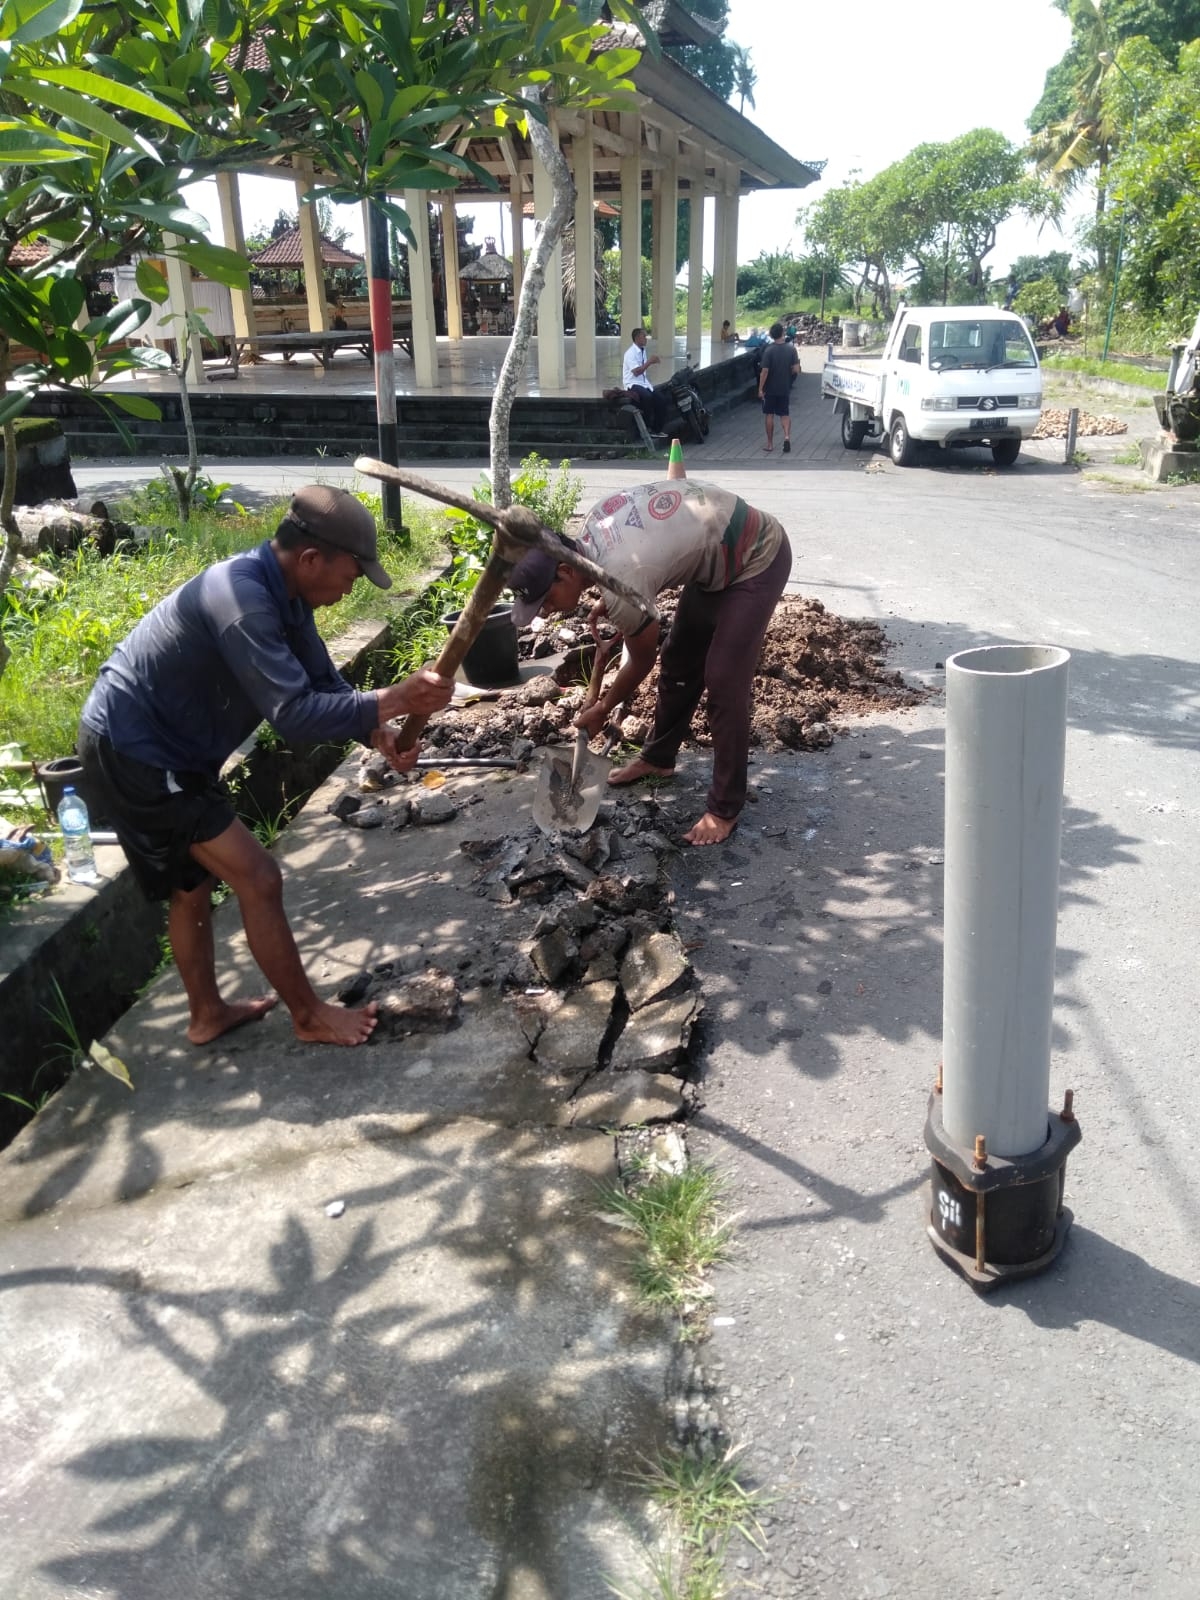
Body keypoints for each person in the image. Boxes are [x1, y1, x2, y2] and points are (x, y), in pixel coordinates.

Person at [77, 486, 454, 1049]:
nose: (352, 588)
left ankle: (206, 1013)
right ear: (310, 559)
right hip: (140, 749)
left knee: (193, 884)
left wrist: (376, 731)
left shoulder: (287, 594)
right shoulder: (244, 600)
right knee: (258, 876)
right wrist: (397, 698)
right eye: (351, 575)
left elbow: (322, 683)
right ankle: (308, 1016)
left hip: (170, 747)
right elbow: (294, 716)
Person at [506, 477, 792, 847]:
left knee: (723, 678)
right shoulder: (591, 531)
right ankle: (659, 757)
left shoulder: (622, 580)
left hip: (757, 555)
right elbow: (640, 561)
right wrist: (612, 595)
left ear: (566, 571)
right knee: (679, 658)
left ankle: (725, 807)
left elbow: (642, 661)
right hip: (716, 556)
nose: (545, 610)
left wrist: (604, 708)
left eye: (544, 600)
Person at [758, 321, 799, 454]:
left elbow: (764, 371)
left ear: (771, 335)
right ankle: (786, 437)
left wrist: (760, 388)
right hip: (784, 387)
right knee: (784, 414)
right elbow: (796, 369)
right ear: (782, 333)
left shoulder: (768, 350)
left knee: (769, 414)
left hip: (770, 389)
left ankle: (770, 444)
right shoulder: (791, 349)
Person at [622, 327, 667, 433]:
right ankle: (646, 427)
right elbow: (636, 372)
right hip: (632, 383)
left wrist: (650, 362)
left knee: (661, 399)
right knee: (647, 397)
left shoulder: (642, 351)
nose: (646, 339)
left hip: (644, 383)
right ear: (637, 338)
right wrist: (649, 362)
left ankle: (657, 429)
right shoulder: (630, 353)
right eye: (644, 336)